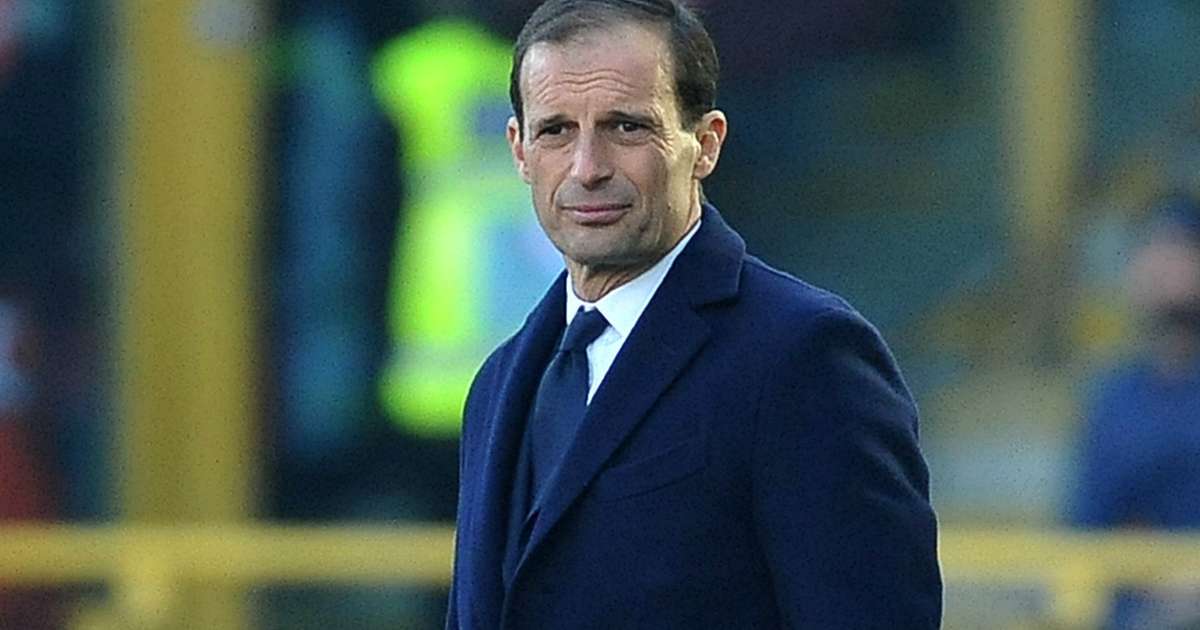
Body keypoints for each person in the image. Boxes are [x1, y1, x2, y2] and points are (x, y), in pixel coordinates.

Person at [445, 1, 942, 628]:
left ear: (705, 144)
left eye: (626, 127)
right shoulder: (499, 382)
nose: (587, 168)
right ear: (519, 151)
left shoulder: (805, 356)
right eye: (556, 131)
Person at [1069, 193, 1200, 628]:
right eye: (1147, 248)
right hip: (1131, 615)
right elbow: (1087, 522)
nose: (1157, 265)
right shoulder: (1114, 396)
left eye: (1175, 247)